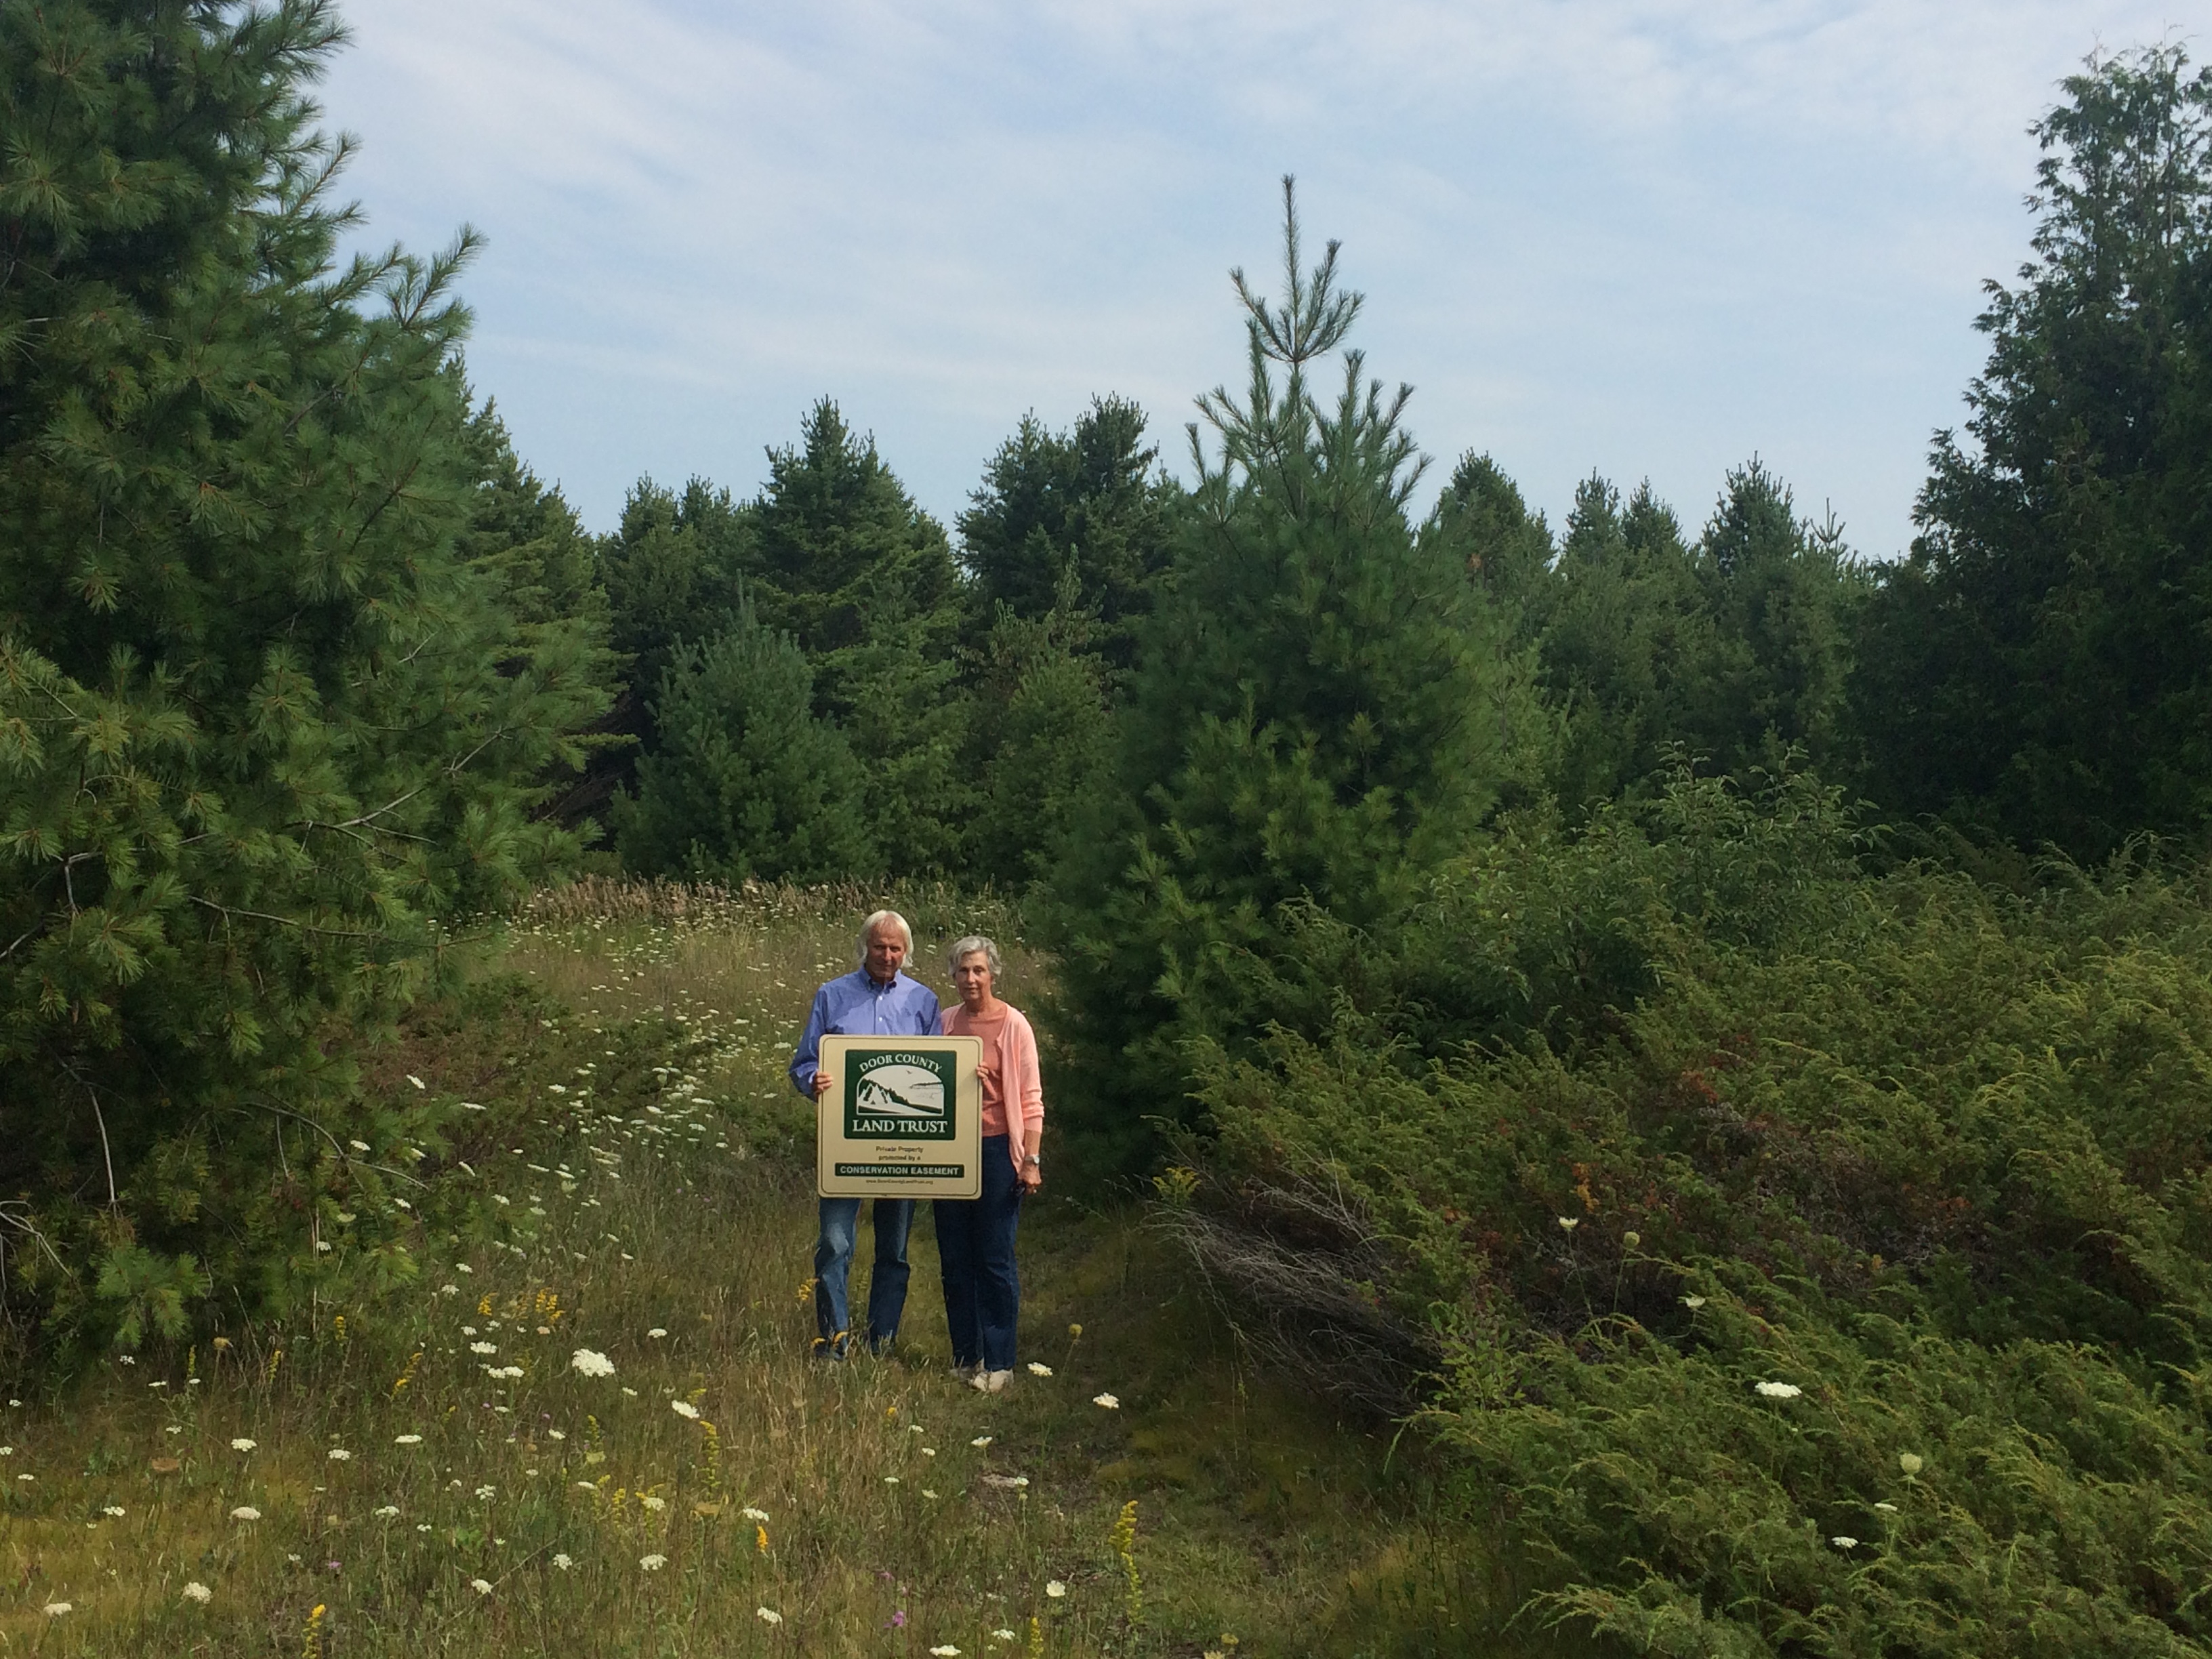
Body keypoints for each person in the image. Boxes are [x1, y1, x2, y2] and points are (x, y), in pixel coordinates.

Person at [790, 909, 940, 1360]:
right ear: (864, 947)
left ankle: (881, 1343)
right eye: (880, 946)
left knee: (893, 1250)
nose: (888, 955)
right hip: (847, 1146)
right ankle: (834, 1342)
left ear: (907, 952)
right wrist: (813, 1079)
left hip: (903, 1148)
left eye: (896, 948)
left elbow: (940, 1077)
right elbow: (802, 1064)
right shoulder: (831, 996)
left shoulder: (924, 1002)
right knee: (835, 1244)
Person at [933, 935, 1043, 1392]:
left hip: (999, 1150)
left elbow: (1032, 1101)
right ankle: (966, 1355)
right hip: (949, 1152)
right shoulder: (944, 1024)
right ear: (954, 977)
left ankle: (1000, 1363)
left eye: (979, 970)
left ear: (993, 974)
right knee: (955, 1258)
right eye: (963, 971)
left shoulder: (1015, 1026)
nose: (971, 979)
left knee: (995, 1258)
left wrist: (1031, 1160)